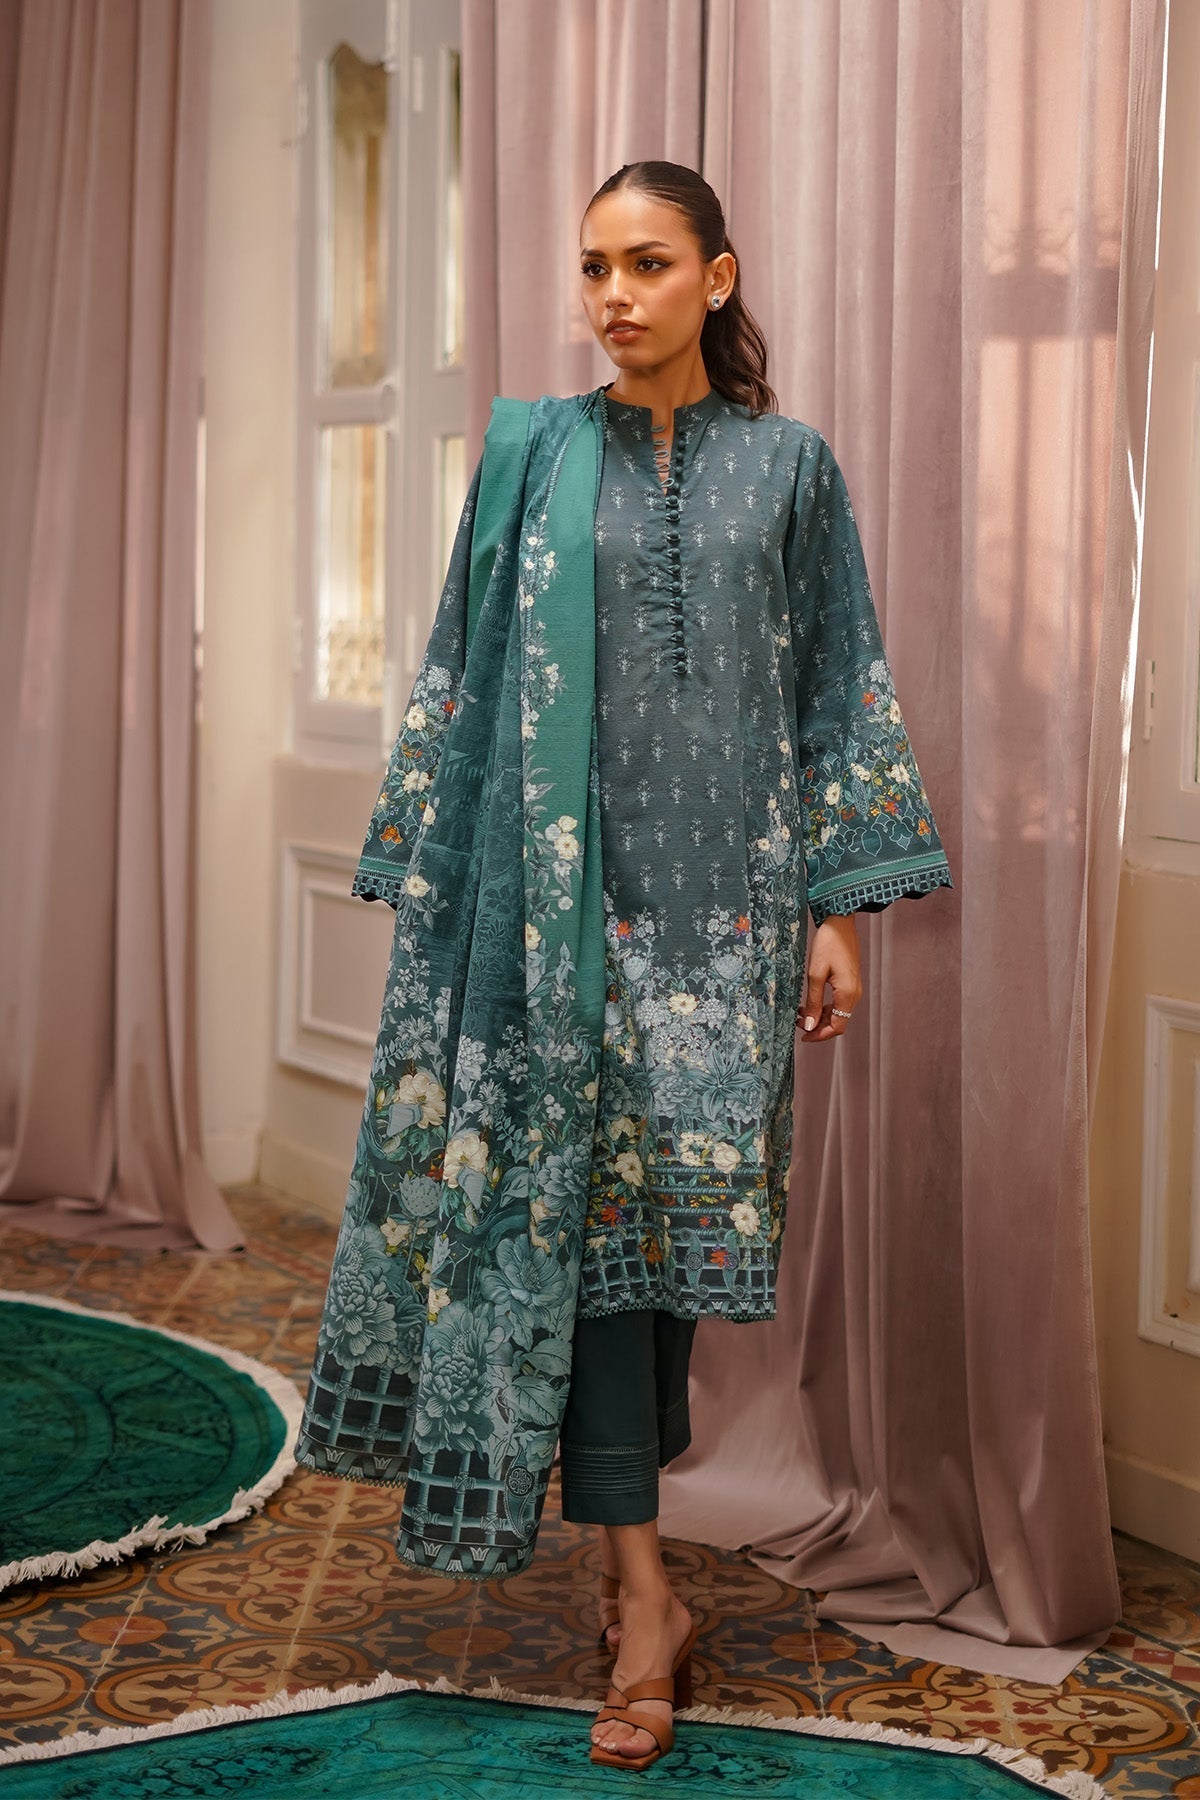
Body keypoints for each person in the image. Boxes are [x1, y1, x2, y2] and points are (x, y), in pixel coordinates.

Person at [295, 160, 952, 1773]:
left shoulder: (791, 468)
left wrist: (838, 910)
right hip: (555, 925)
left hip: (726, 931)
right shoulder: (531, 456)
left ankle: (619, 1546)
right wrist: (427, 862)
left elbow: (841, 684)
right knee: (576, 1247)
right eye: (594, 266)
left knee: (660, 1270)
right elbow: (460, 660)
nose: (613, 296)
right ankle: (645, 1596)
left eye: (647, 264)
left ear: (715, 279)